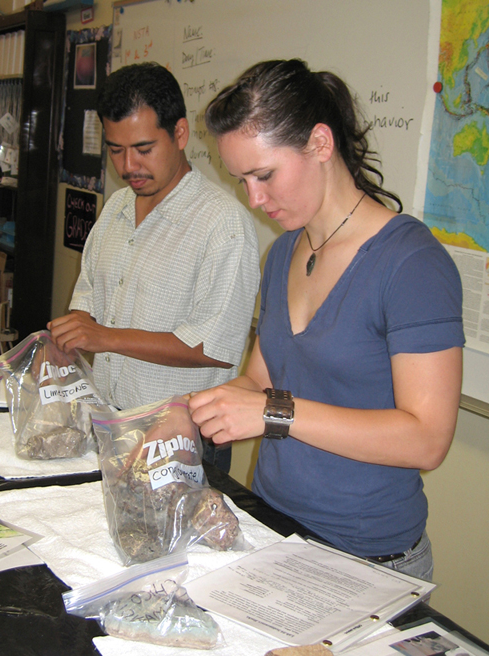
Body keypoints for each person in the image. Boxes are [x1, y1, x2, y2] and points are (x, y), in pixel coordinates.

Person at [188, 59, 464, 579]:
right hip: (275, 530)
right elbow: (259, 382)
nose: (254, 199)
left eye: (264, 175)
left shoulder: (411, 264)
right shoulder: (283, 253)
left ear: (319, 143)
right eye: (241, 179)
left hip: (369, 558)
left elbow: (427, 440)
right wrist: (190, 413)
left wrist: (274, 413)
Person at [48, 62, 260, 472]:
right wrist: (71, 334)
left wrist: (105, 337)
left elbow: (211, 348)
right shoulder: (117, 207)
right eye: (115, 149)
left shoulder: (223, 225)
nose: (128, 167)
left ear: (179, 134)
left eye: (143, 149)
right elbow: (89, 298)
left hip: (180, 440)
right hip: (107, 420)